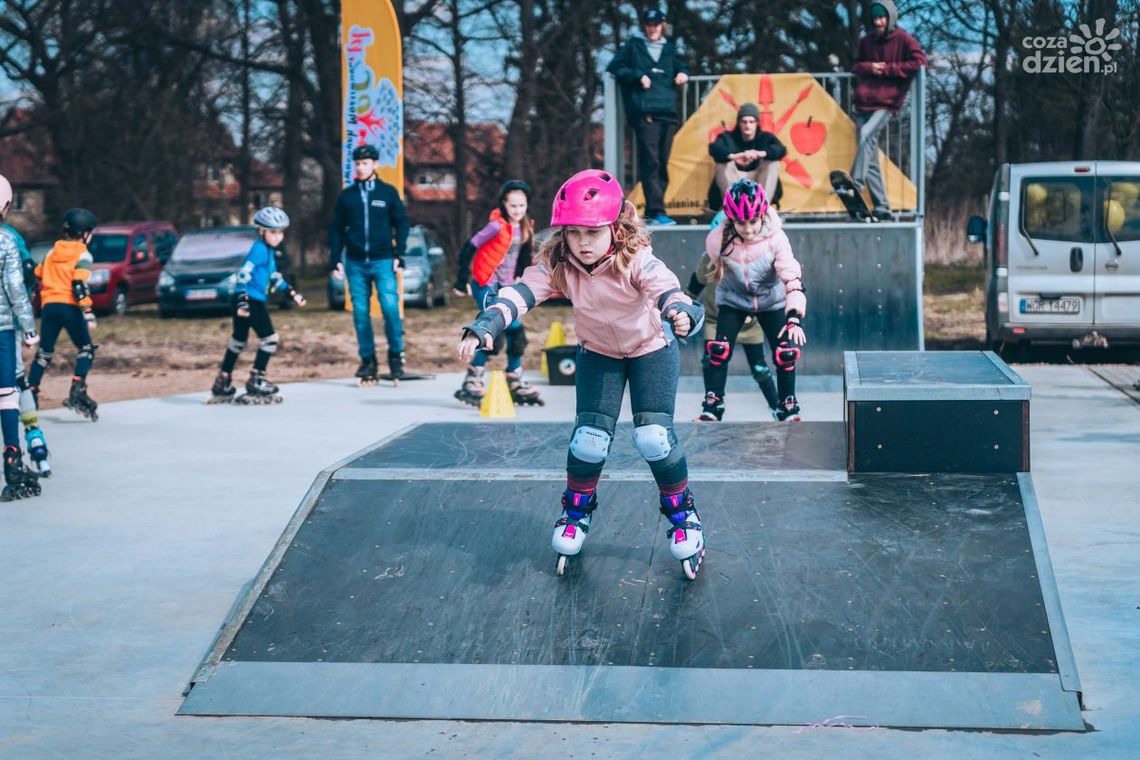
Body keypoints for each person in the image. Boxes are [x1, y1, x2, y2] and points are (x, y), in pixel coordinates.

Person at [456, 170, 707, 580]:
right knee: (589, 441)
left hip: (651, 351)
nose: (583, 242)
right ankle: (576, 513)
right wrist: (486, 325)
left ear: (615, 227)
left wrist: (681, 309)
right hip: (599, 354)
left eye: (592, 232)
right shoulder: (559, 263)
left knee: (653, 437)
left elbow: (666, 287)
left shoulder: (634, 256)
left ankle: (684, 516)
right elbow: (519, 293)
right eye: (573, 232)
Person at [700, 179, 807, 423]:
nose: (747, 229)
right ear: (731, 219)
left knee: (785, 352)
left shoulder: (776, 238)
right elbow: (707, 268)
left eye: (752, 221)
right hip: (734, 300)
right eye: (740, 222)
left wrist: (794, 317)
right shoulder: (719, 239)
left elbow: (791, 276)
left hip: (771, 300)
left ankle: (787, 405)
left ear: (762, 216)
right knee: (718, 350)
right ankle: (713, 404)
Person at [451, 180, 542, 407]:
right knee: (493, 328)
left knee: (515, 332)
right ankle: (473, 379)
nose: (517, 210)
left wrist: (523, 279)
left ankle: (514, 377)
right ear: (504, 204)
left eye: (521, 206)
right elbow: (469, 247)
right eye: (513, 206)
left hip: (508, 288)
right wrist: (462, 281)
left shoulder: (527, 227)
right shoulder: (496, 226)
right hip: (487, 285)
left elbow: (523, 258)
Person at [685, 212, 781, 420]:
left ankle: (777, 407)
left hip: (750, 321)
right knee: (713, 359)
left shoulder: (755, 258)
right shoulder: (709, 260)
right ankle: (712, 407)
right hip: (715, 319)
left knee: (760, 368)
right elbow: (695, 285)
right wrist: (683, 303)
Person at [329, 143, 409, 382]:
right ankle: (368, 361)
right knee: (360, 313)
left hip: (383, 260)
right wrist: (335, 259)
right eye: (358, 164)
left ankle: (396, 355)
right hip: (355, 263)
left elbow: (402, 223)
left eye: (365, 163)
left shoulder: (387, 193)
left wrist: (399, 254)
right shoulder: (348, 196)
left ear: (375, 164)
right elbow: (336, 229)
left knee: (389, 308)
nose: (361, 168)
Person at [209, 207, 306, 404]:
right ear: (261, 231)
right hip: (250, 300)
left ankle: (223, 381)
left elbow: (274, 277)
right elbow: (243, 274)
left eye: (280, 232)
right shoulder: (259, 249)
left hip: (244, 299)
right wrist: (243, 303)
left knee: (238, 340)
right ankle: (257, 379)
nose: (277, 237)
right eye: (273, 232)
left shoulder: (269, 251)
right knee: (270, 339)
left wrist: (292, 293)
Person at [606, 7, 689, 226]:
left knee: (662, 161)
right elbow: (614, 67)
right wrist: (638, 75)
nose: (652, 29)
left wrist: (682, 73)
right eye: (649, 25)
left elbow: (681, 67)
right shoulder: (633, 46)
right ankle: (655, 210)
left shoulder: (669, 49)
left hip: (668, 112)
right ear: (645, 26)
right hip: (645, 113)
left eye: (656, 24)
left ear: (663, 25)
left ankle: (658, 210)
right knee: (650, 161)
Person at [849, 0, 927, 221]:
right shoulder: (867, 41)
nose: (878, 22)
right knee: (870, 155)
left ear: (890, 18)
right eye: (875, 19)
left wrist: (888, 70)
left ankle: (856, 181)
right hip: (864, 102)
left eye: (882, 18)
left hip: (886, 103)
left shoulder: (903, 40)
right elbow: (855, 66)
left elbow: (919, 63)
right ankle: (882, 205)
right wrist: (870, 67)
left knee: (866, 135)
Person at [26, 208, 101, 422]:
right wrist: (88, 312)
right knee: (86, 349)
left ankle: (31, 393)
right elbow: (78, 284)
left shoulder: (52, 252)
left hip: (49, 308)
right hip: (69, 306)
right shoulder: (83, 254)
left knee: (44, 353)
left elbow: (37, 274)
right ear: (84, 233)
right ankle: (77, 387)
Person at [0, 174, 41, 499]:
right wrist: (29, 329)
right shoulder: (8, 239)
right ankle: (13, 455)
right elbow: (18, 286)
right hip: (4, 330)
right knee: (8, 392)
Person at [1, 218, 51, 475]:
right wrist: (27, 325)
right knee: (15, 382)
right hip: (6, 322)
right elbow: (24, 277)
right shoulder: (9, 237)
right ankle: (34, 442)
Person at [708, 103, 786, 209]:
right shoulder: (728, 137)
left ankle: (761, 207)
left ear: (757, 123)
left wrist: (760, 154)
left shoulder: (765, 137)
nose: (747, 125)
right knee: (721, 163)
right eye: (744, 122)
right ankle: (733, 207)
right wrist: (733, 157)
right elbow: (714, 149)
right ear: (739, 123)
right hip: (734, 180)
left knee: (772, 163)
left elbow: (781, 150)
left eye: (751, 122)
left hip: (758, 181)